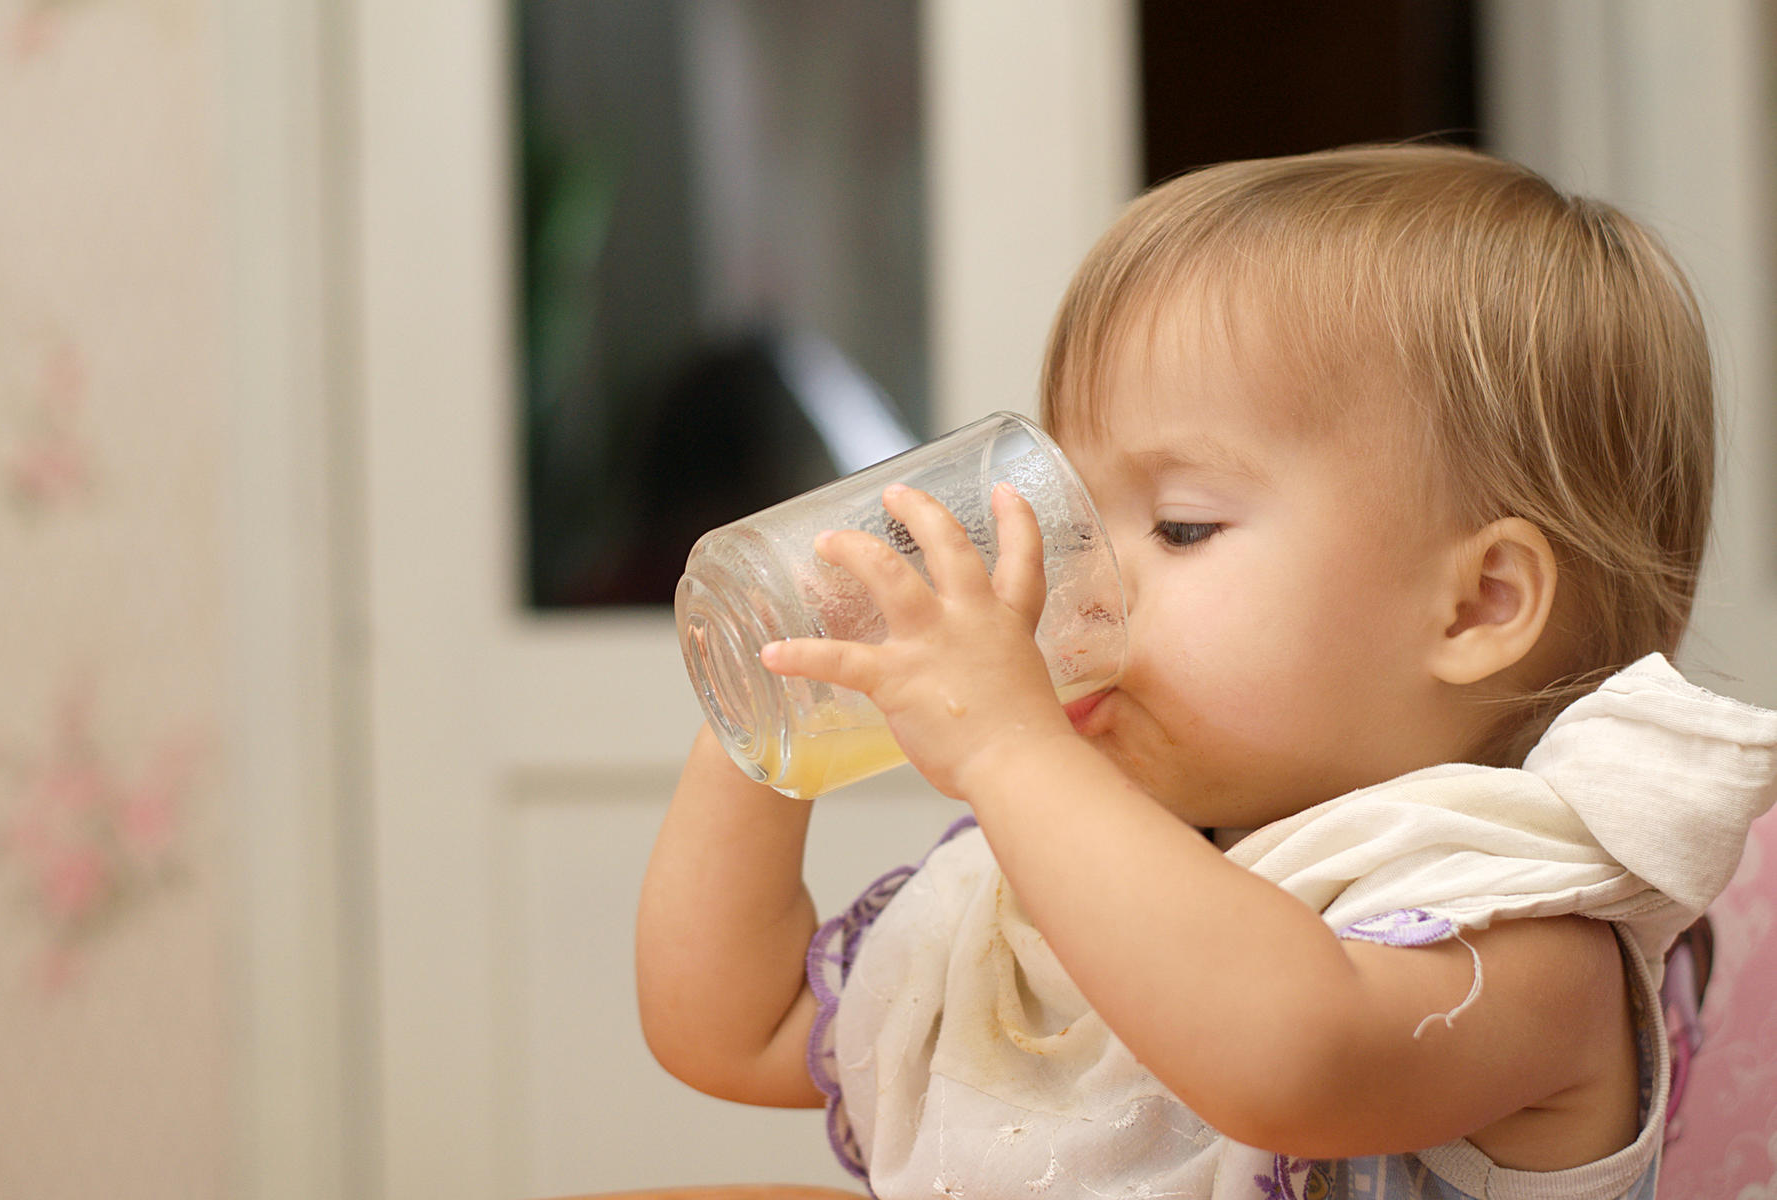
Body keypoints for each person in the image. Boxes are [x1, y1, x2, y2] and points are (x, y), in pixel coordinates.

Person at [635, 144, 1777, 1198]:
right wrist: (774, 705)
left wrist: (1008, 750)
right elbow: (732, 1029)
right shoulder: (1072, 877)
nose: (1078, 576)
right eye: (1071, 508)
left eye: (1178, 526)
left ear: (1476, 606)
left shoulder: (1523, 939)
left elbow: (1287, 1058)